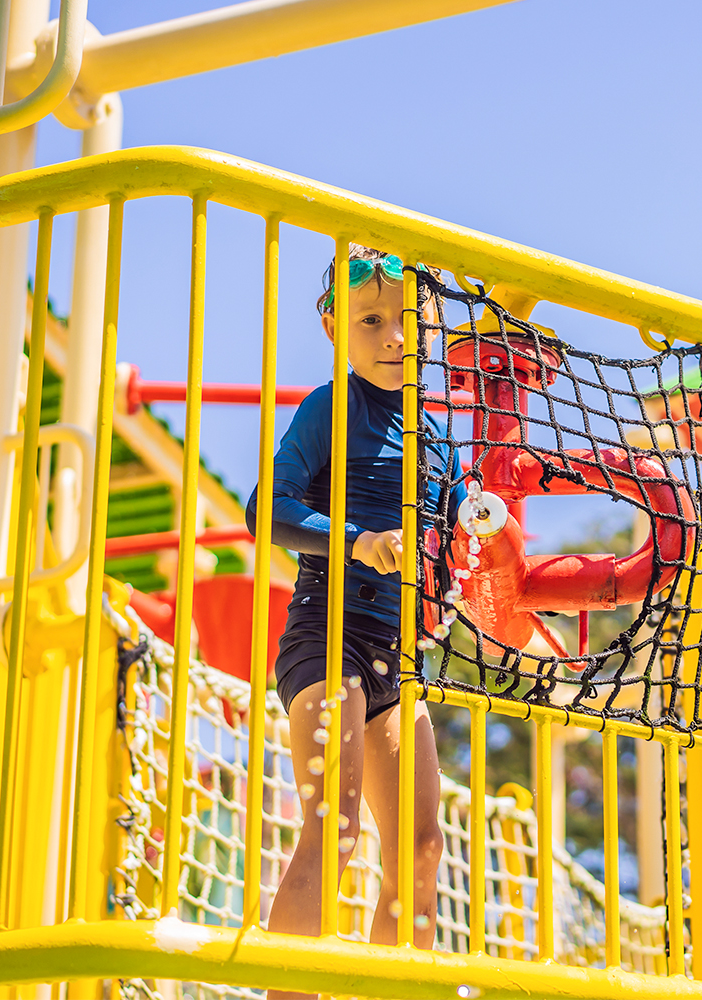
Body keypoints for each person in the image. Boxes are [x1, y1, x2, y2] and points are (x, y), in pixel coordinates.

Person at [249, 246, 462, 989]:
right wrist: (360, 541)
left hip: (395, 660)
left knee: (423, 847)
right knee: (332, 828)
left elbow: (463, 538)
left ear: (434, 327)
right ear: (334, 326)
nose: (394, 337)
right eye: (371, 321)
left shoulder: (438, 438)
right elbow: (265, 509)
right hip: (328, 638)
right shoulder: (330, 407)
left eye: (410, 321)